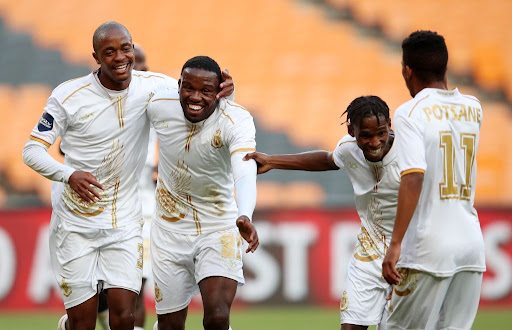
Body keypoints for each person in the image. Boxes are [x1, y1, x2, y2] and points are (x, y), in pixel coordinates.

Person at [22, 22, 233, 330]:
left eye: (125, 49)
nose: (120, 57)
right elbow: (32, 150)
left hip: (124, 221)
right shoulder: (68, 96)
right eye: (109, 52)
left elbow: (197, 99)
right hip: (75, 223)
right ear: (96, 57)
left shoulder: (155, 87)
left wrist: (228, 92)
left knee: (125, 317)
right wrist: (69, 175)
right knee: (84, 324)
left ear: (133, 49)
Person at [244, 95, 397, 330]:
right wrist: (274, 161)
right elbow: (328, 160)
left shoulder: (410, 153)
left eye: (381, 133)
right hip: (368, 255)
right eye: (366, 135)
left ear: (390, 126)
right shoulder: (348, 149)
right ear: (351, 131)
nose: (375, 142)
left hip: (407, 255)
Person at [382, 30, 485, 330]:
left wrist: (395, 244)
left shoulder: (410, 112)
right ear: (445, 67)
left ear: (407, 70)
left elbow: (413, 175)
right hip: (470, 245)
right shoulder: (474, 108)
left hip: (428, 247)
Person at [146, 55, 259, 330]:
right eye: (188, 88)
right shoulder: (159, 105)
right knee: (170, 324)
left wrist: (245, 213)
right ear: (179, 85)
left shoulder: (236, 119)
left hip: (218, 226)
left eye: (206, 90)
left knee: (218, 317)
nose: (195, 97)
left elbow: (245, 169)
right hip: (168, 231)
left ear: (220, 91)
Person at [95, 41, 156, 330]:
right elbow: (66, 150)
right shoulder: (101, 104)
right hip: (104, 211)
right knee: (101, 295)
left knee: (136, 287)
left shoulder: (160, 106)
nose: (139, 69)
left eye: (142, 63)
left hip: (145, 210)